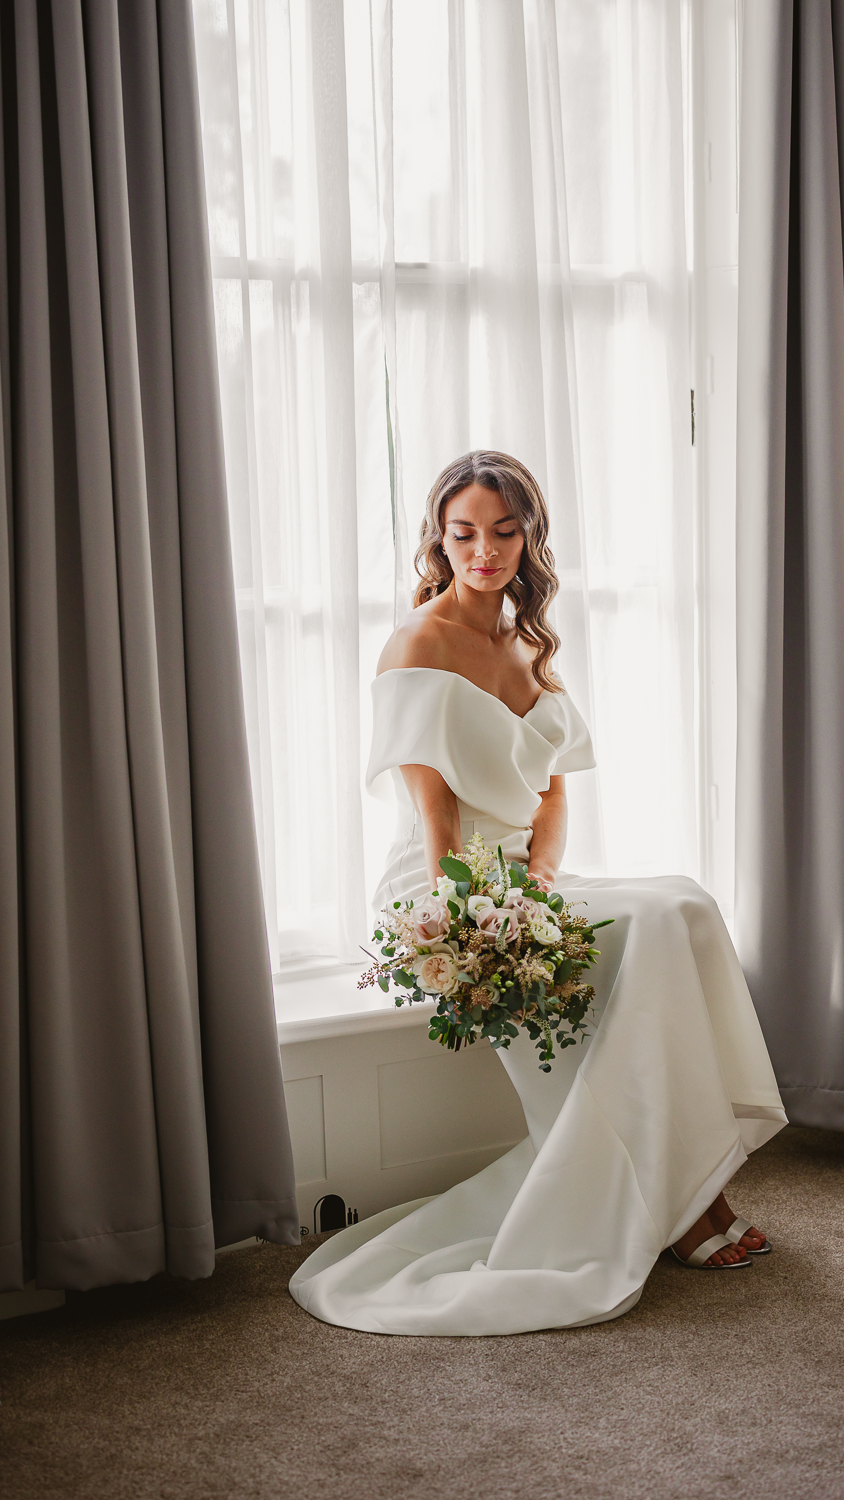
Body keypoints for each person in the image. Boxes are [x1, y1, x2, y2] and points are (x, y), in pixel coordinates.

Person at [289, 450, 786, 1337]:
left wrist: (543, 887)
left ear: (531, 536)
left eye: (504, 532)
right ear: (440, 541)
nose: (485, 551)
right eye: (465, 533)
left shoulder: (528, 642)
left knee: (683, 905)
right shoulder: (417, 643)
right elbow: (436, 821)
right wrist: (488, 916)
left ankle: (692, 1192)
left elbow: (554, 794)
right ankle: (689, 1210)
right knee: (663, 917)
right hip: (449, 889)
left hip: (531, 879)